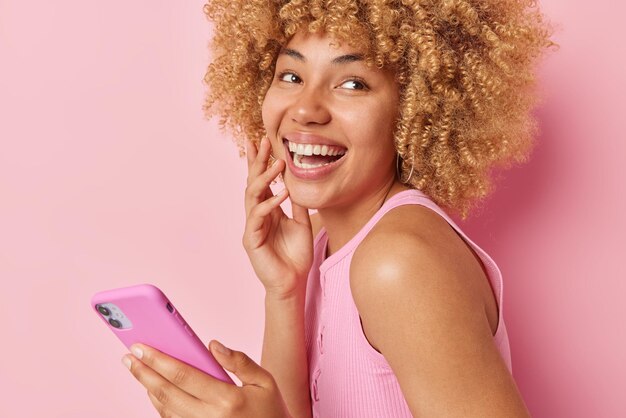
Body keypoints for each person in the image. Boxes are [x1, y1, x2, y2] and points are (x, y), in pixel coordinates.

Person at [121, 1, 556, 416]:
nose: (306, 109)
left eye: (353, 83)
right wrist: (285, 291)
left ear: (412, 111)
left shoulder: (399, 262)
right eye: (290, 75)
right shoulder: (324, 246)